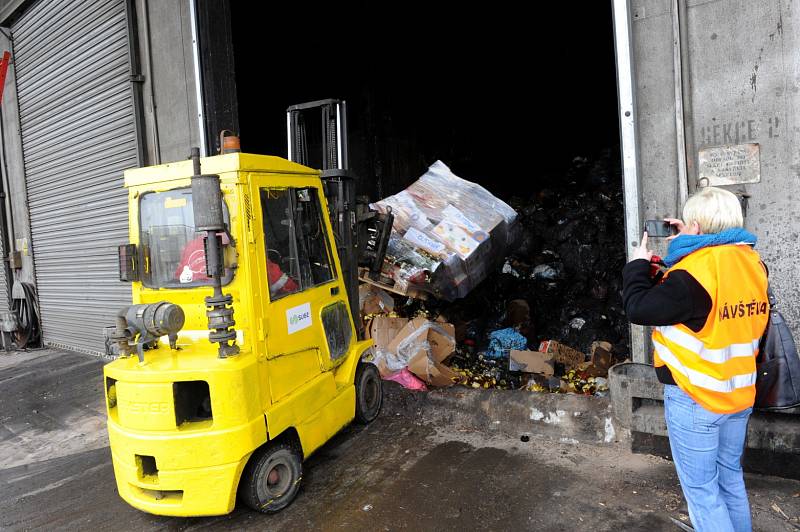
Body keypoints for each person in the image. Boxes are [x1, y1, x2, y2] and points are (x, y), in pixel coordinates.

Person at [622, 187, 768, 532]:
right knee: (730, 478)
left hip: (696, 397)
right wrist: (684, 239)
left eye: (689, 225)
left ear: (699, 228)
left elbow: (639, 307)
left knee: (703, 491)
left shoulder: (694, 274)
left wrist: (638, 266)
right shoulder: (753, 264)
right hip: (738, 394)